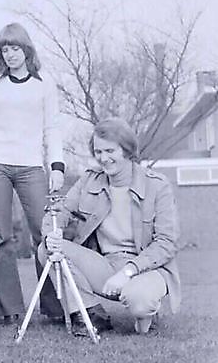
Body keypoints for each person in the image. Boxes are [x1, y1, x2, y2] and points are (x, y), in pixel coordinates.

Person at [39, 118, 181, 336]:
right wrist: (52, 233)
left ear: (127, 150)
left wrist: (128, 271)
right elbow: (59, 210)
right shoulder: (89, 181)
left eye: (110, 151)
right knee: (47, 249)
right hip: (104, 263)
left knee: (139, 301)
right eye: (98, 152)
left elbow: (166, 243)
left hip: (146, 268)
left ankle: (146, 311)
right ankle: (91, 313)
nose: (103, 158)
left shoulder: (157, 185)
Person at [0, 23, 64, 324]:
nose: (10, 54)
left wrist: (57, 166)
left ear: (27, 50)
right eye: (4, 50)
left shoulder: (44, 84)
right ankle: (10, 310)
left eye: (15, 48)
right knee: (2, 236)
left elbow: (53, 128)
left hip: (32, 166)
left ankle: (54, 306)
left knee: (44, 234)